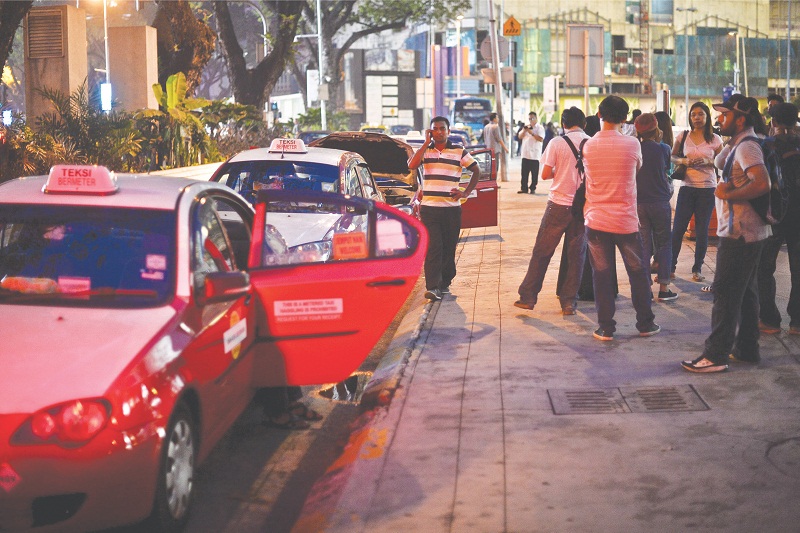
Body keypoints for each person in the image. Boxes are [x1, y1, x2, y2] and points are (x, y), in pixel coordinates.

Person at [682, 94, 772, 372]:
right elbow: (720, 162)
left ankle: (715, 355)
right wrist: (730, 139)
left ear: (740, 118)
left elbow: (762, 183)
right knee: (745, 293)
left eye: (724, 115)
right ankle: (746, 349)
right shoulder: (741, 143)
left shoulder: (748, 148)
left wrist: (729, 193)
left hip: (740, 231)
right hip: (748, 231)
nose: (719, 119)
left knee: (725, 294)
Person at [582, 96, 660, 341]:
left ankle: (606, 327)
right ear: (626, 119)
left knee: (602, 275)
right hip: (626, 220)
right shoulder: (632, 145)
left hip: (596, 220)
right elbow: (635, 171)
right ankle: (645, 324)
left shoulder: (588, 145)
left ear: (599, 115)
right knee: (638, 273)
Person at [514, 106, 589, 315]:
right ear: (583, 124)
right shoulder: (592, 143)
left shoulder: (556, 142)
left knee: (542, 252)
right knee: (577, 255)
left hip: (558, 204)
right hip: (582, 206)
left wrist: (562, 170)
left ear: (564, 124)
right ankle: (569, 303)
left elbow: (545, 174)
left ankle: (528, 298)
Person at [408, 116, 481, 302]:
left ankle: (445, 281)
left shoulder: (458, 150)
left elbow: (476, 170)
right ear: (430, 131)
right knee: (434, 247)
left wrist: (465, 192)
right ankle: (432, 287)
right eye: (435, 129)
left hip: (451, 209)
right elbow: (411, 165)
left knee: (449, 248)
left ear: (448, 131)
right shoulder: (425, 150)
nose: (439, 131)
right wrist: (425, 143)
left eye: (442, 128)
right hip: (429, 209)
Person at [757, 102, 800, 335]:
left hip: (774, 214)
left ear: (773, 122)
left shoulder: (766, 145)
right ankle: (797, 322)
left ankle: (770, 319)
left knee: (764, 267)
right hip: (799, 215)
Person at [669, 102, 723, 283]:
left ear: (707, 117)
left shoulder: (715, 139)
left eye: (700, 114)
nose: (697, 118)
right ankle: (670, 267)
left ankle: (697, 268)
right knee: (677, 230)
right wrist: (684, 161)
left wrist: (709, 161)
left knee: (702, 231)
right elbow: (672, 156)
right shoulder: (684, 136)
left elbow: (722, 163)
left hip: (707, 189)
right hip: (687, 187)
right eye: (694, 115)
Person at [633, 113, 677, 302]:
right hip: (660, 202)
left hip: (640, 203)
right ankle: (664, 289)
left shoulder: (635, 149)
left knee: (643, 245)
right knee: (665, 243)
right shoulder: (664, 149)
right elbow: (668, 171)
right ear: (656, 128)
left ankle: (646, 290)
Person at [517, 112, 545, 194]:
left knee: (534, 174)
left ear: (536, 118)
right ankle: (524, 188)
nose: (531, 120)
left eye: (532, 118)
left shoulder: (540, 128)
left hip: (535, 155)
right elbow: (519, 136)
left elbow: (541, 139)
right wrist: (524, 131)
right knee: (524, 173)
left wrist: (532, 133)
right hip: (525, 154)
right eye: (529, 119)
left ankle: (533, 188)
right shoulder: (526, 127)